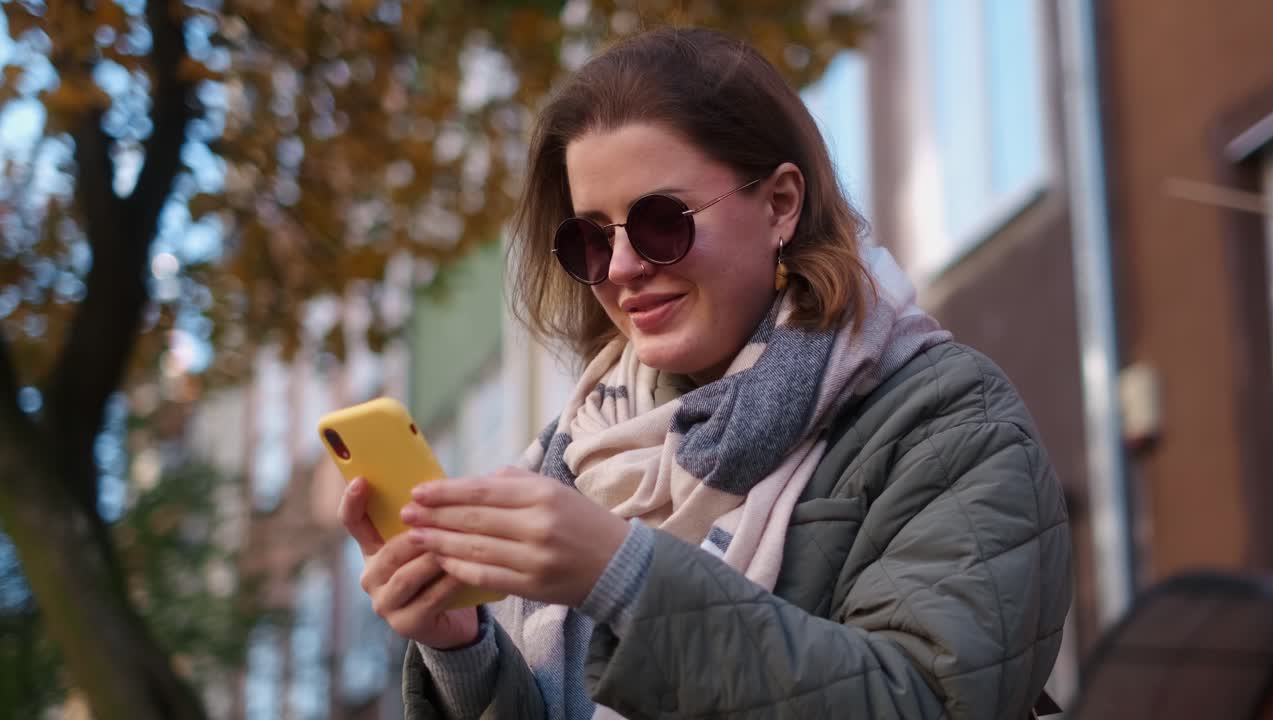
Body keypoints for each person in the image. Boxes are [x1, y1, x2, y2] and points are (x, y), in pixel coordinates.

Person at [339, 26, 1071, 720]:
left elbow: (926, 703)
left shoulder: (946, 419)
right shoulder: (580, 454)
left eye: (662, 221)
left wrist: (624, 576)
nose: (621, 268)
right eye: (590, 239)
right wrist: (462, 649)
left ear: (781, 204)